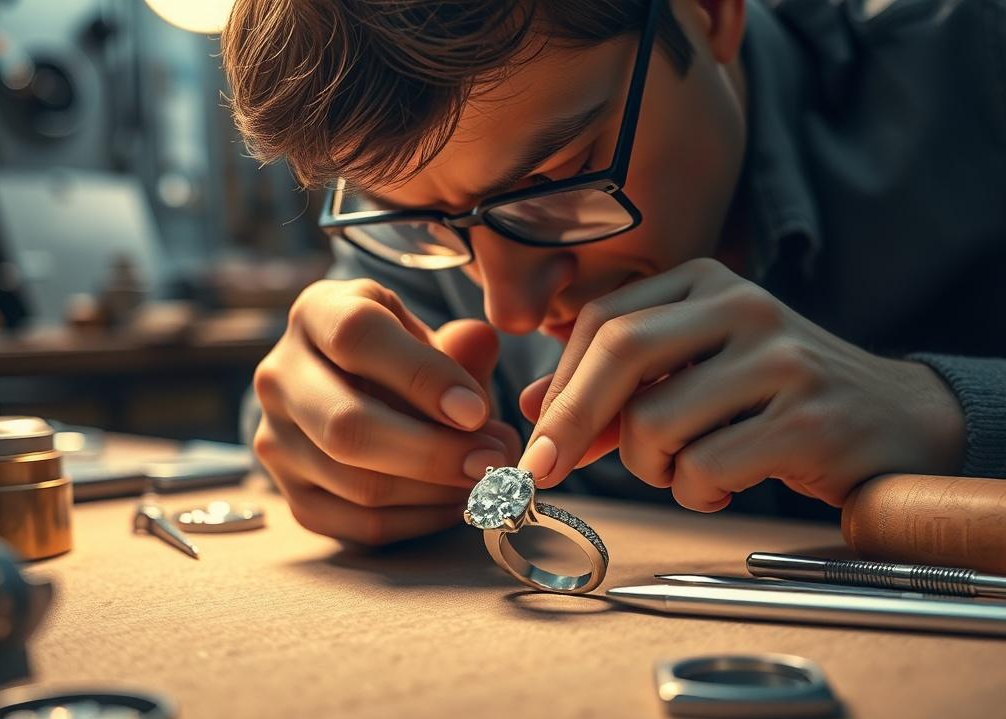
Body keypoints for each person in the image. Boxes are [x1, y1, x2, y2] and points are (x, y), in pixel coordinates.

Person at [221, 0, 1006, 546]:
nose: (511, 308)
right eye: (422, 220)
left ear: (709, 11)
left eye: (555, 188)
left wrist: (948, 413)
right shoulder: (413, 243)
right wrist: (329, 444)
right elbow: (310, 418)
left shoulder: (979, 76)